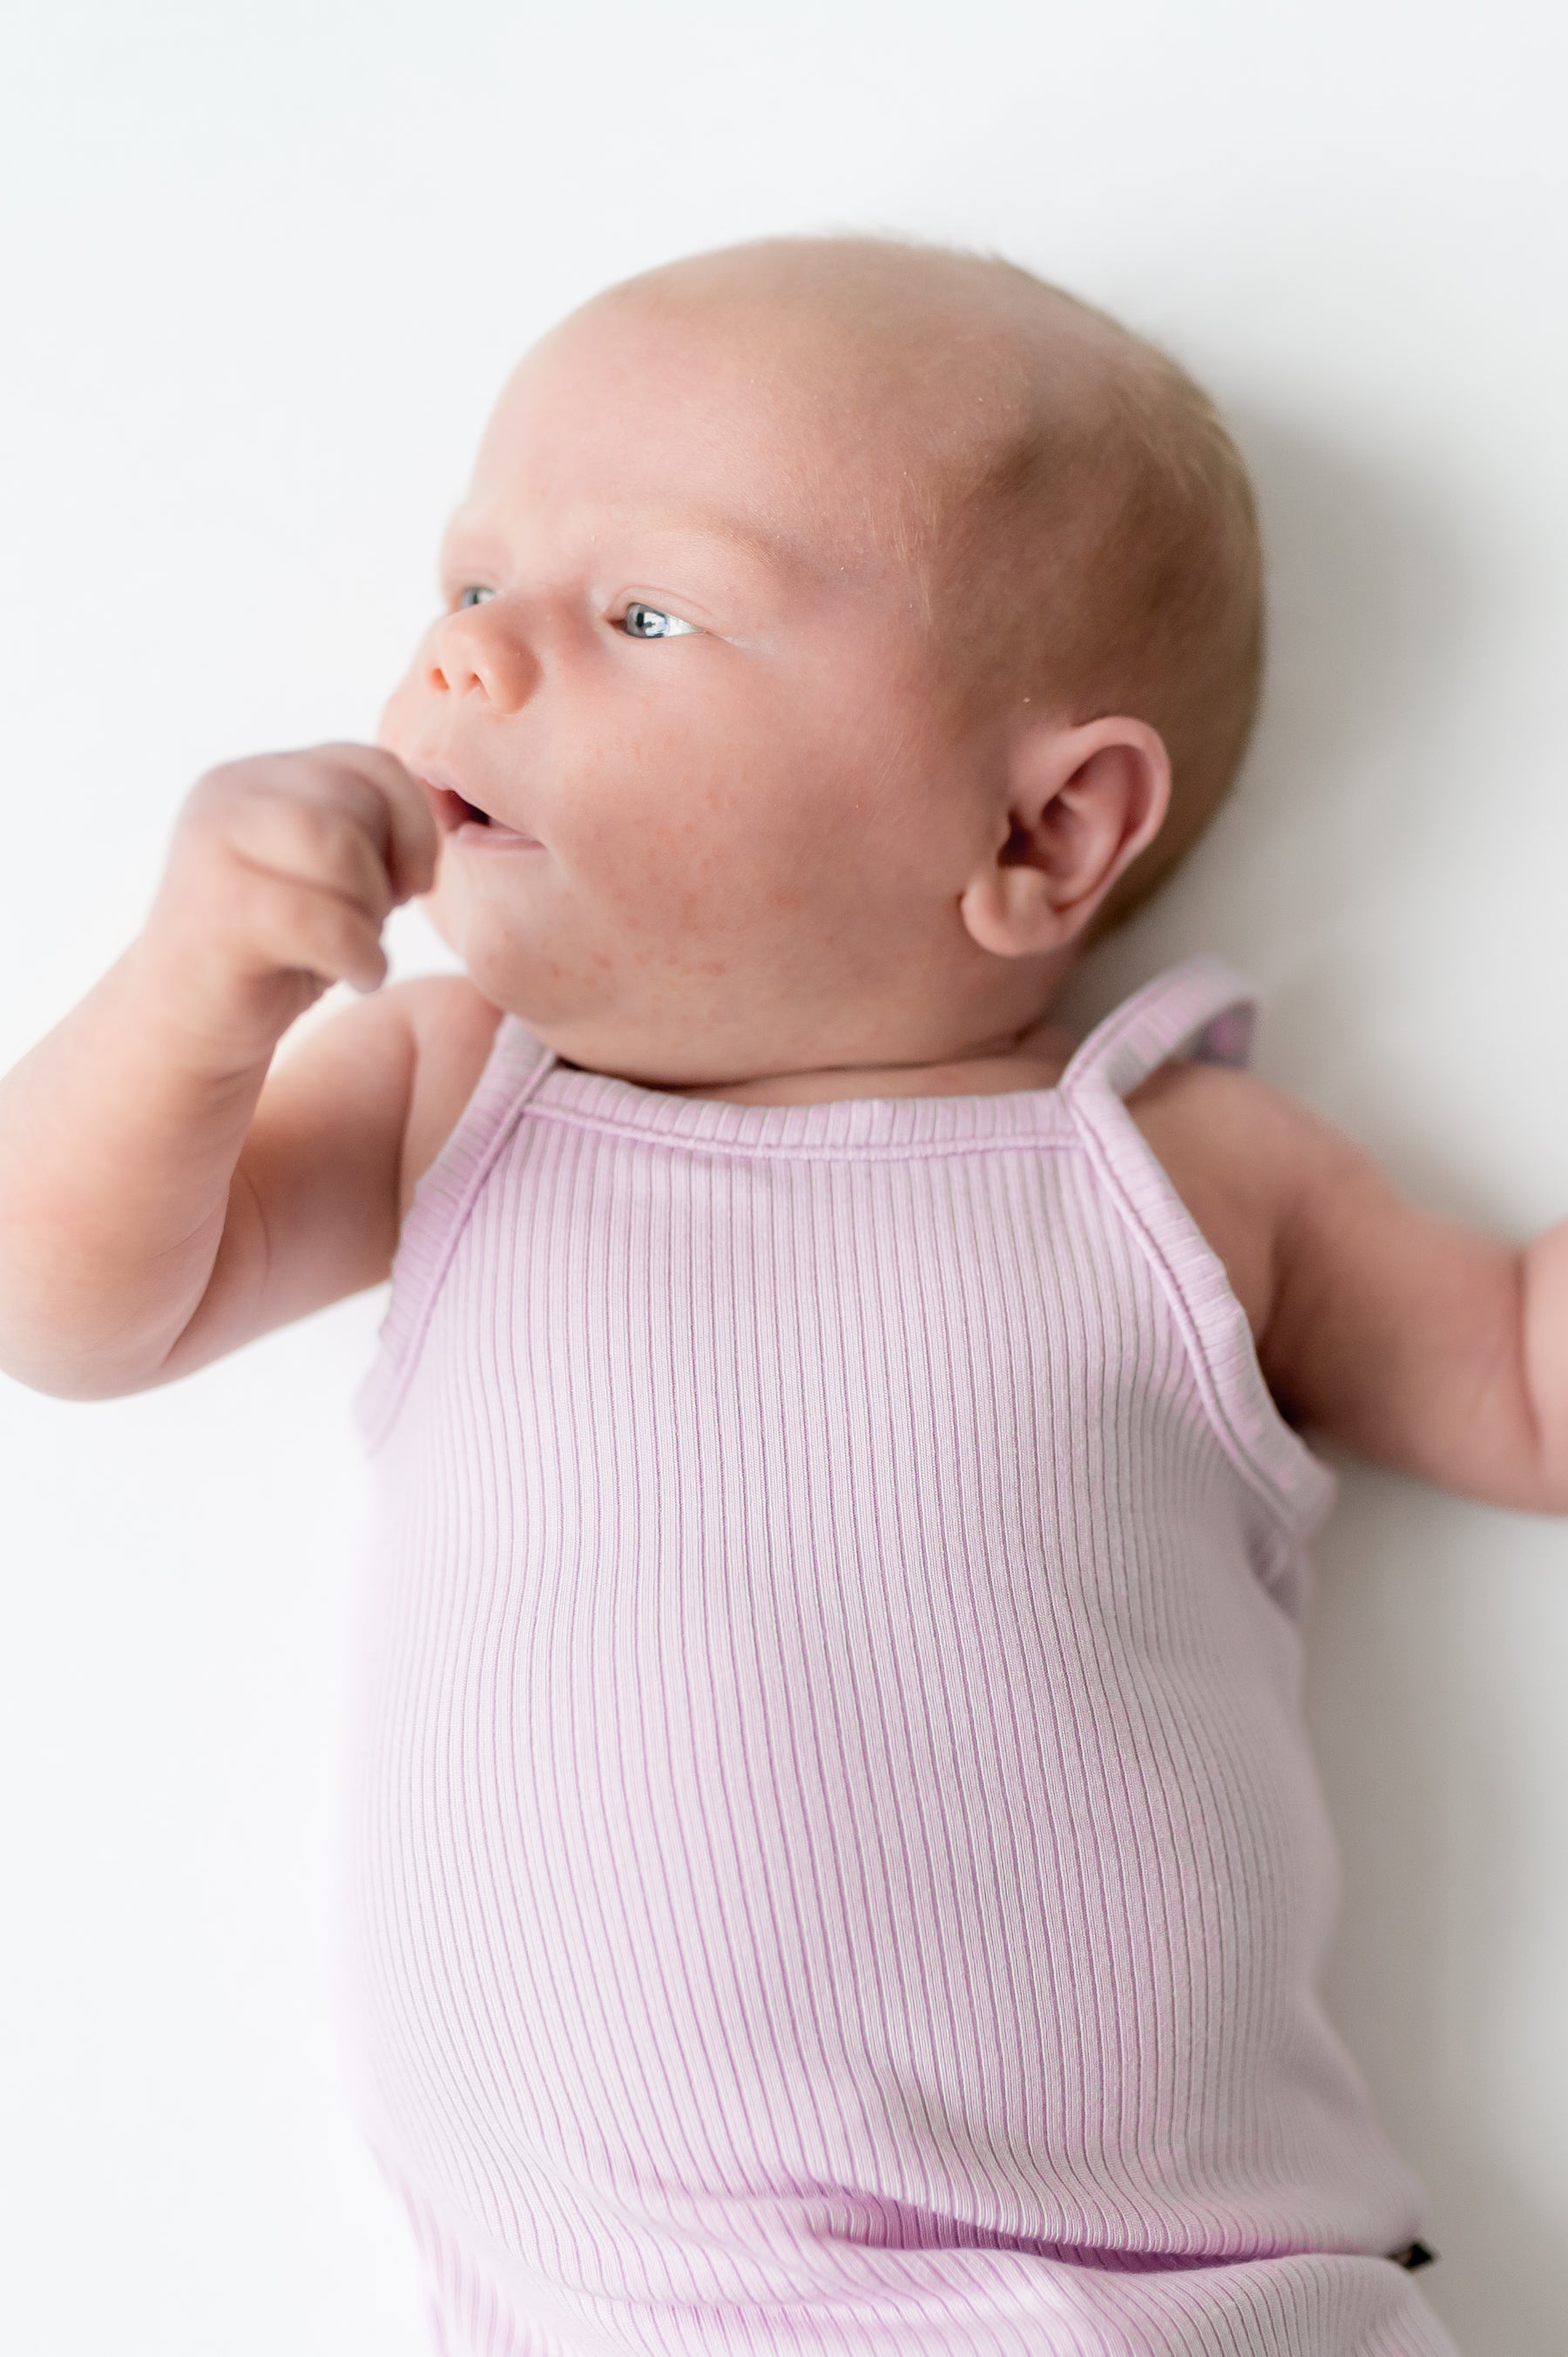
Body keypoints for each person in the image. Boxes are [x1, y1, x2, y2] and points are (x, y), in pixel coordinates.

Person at [5, 232, 1528, 2354]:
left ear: (1045, 829)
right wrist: (195, 986)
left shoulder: (1173, 1168)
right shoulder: (459, 1100)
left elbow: (1519, 1381)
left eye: (643, 614)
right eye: (470, 581)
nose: (466, 659)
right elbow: (69, 1309)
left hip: (1180, 2303)